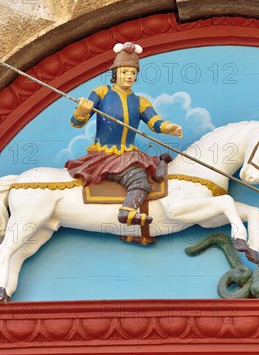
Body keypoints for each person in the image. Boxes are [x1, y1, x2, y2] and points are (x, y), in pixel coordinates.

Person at [65, 42, 183, 226]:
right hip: (105, 155)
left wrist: (169, 127)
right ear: (115, 74)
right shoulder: (101, 93)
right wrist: (81, 111)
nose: (129, 76)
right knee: (139, 181)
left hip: (128, 153)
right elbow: (76, 123)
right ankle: (127, 212)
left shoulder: (140, 101)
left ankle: (159, 167)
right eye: (125, 72)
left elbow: (155, 122)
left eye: (133, 73)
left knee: (151, 163)